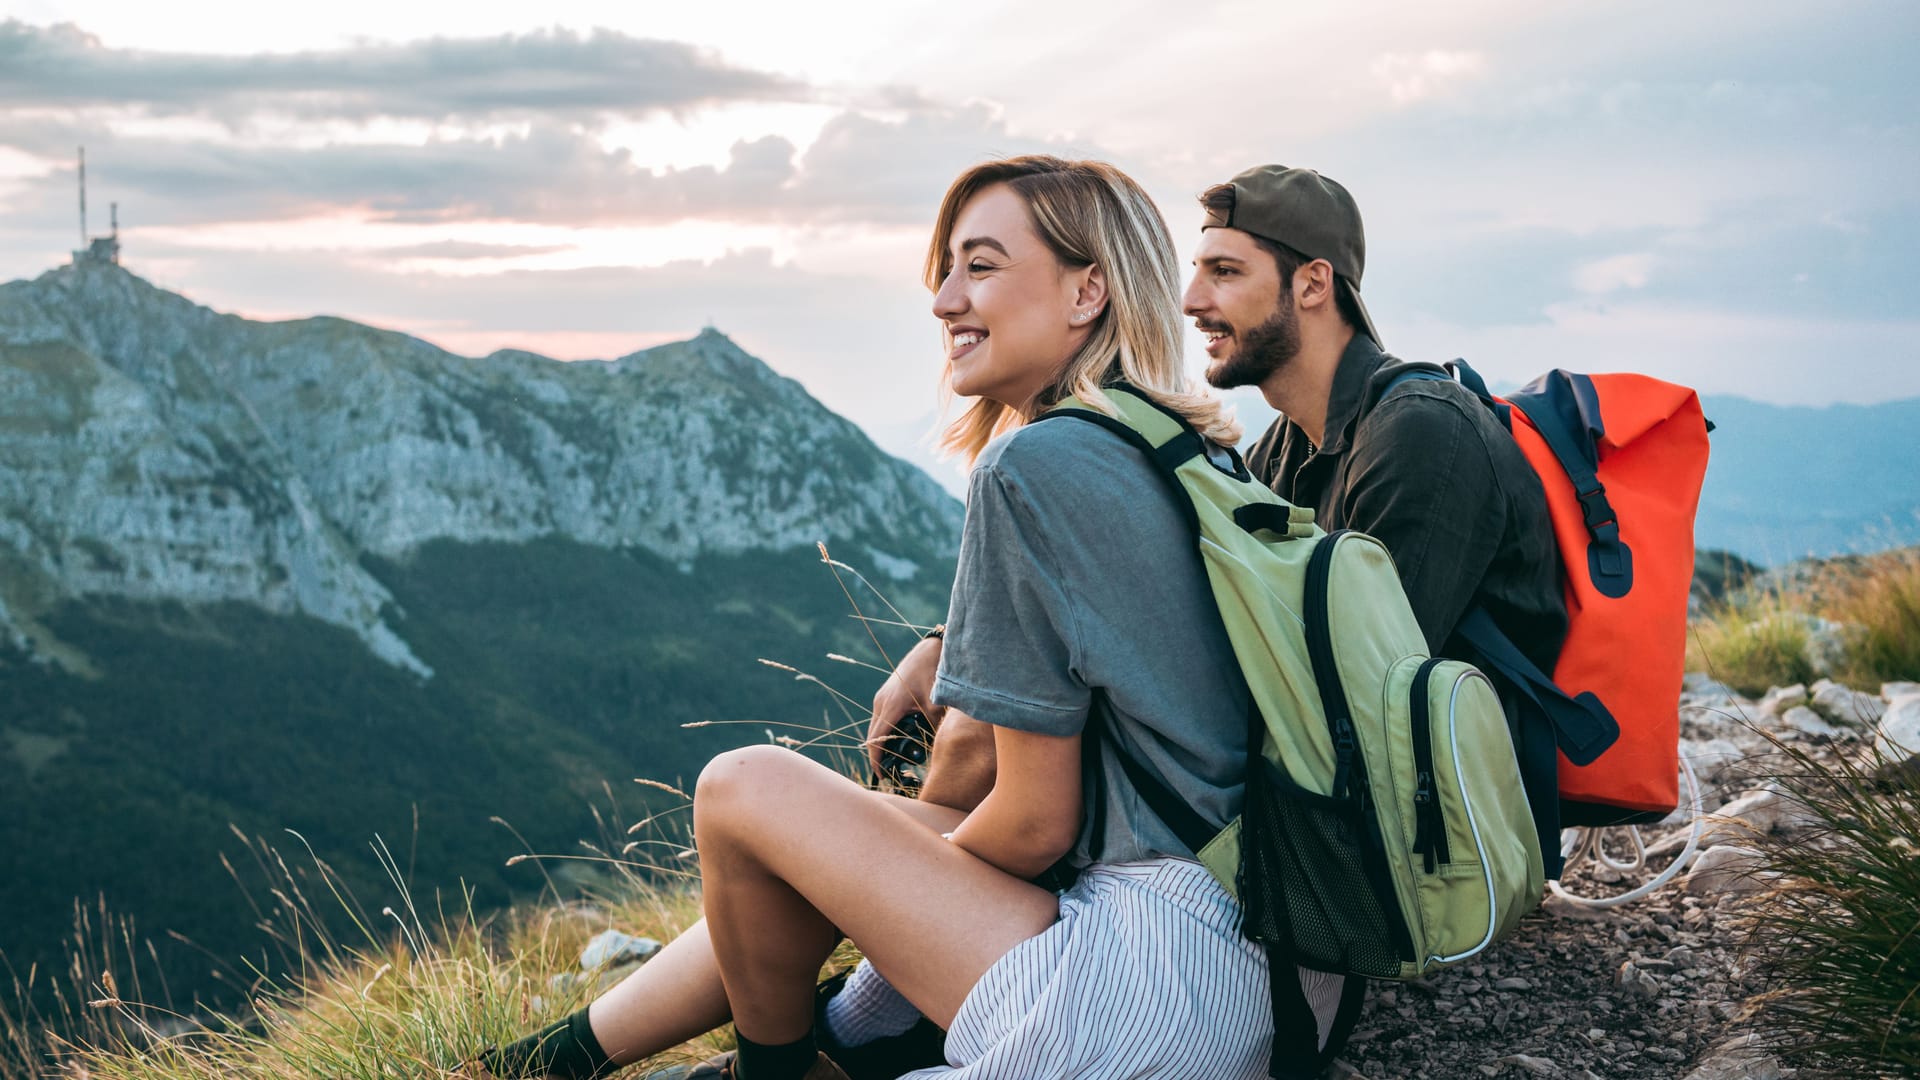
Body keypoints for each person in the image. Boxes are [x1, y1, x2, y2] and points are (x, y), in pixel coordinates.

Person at [475, 155, 1282, 1080]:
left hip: (1139, 983)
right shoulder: (1190, 451)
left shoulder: (1035, 468)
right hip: (1252, 964)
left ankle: (760, 1072)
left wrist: (875, 907)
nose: (944, 301)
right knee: (825, 841)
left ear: (1086, 290)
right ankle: (539, 1064)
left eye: (979, 266)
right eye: (945, 271)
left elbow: (1031, 826)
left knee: (743, 788)